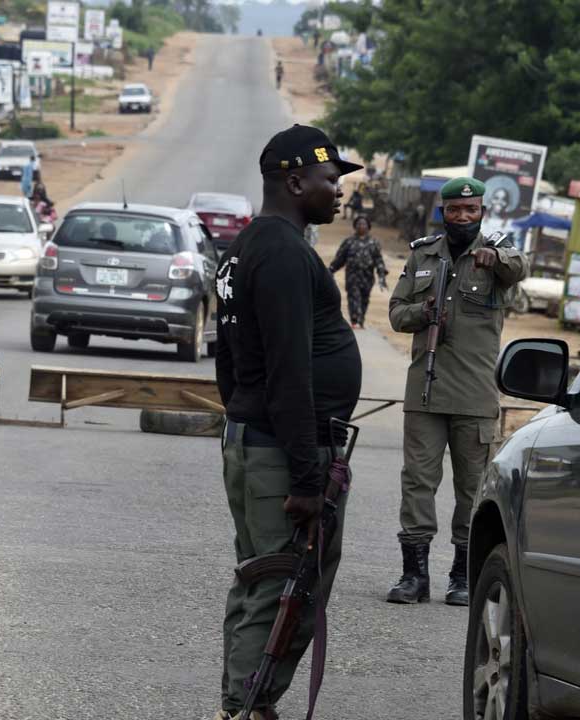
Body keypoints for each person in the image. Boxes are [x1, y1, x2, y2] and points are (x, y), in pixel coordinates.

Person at [213, 124, 364, 720]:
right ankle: (246, 708)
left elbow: (229, 362)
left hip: (260, 441)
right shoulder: (281, 254)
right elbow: (288, 371)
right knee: (282, 585)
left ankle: (244, 703)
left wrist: (243, 419)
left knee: (261, 580)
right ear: (296, 182)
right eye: (330, 179)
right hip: (281, 451)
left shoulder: (248, 247)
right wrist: (304, 476)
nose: (339, 190)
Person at [385, 176, 528, 607]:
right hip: (425, 391)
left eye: (471, 210)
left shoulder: (497, 252)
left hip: (475, 396)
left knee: (472, 488)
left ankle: (461, 576)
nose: (463, 217)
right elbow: (396, 313)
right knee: (418, 483)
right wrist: (423, 311)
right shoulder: (423, 254)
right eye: (454, 210)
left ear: (482, 212)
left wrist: (494, 258)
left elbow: (518, 268)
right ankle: (414, 575)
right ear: (442, 213)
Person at [328, 215, 387, 329]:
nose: (361, 226)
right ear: (355, 226)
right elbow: (340, 259)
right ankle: (354, 319)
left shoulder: (374, 243)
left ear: (368, 226)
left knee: (364, 298)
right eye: (359, 224)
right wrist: (331, 270)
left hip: (367, 277)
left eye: (364, 224)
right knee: (353, 296)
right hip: (352, 276)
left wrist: (381, 275)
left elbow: (378, 260)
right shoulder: (349, 242)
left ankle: (361, 319)